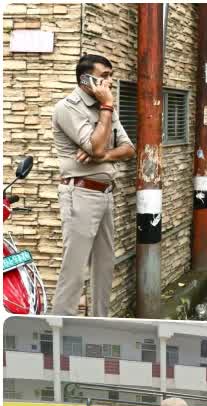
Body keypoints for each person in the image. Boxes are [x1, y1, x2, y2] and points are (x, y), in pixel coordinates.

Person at [51, 54, 134, 317]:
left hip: (105, 194)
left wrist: (105, 155)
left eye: (110, 75)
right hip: (80, 193)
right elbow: (96, 145)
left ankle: (100, 324)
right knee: (74, 269)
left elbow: (129, 149)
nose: (110, 81)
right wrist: (107, 109)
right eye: (105, 75)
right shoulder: (68, 107)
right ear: (86, 79)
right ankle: (59, 328)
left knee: (104, 267)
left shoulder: (105, 108)